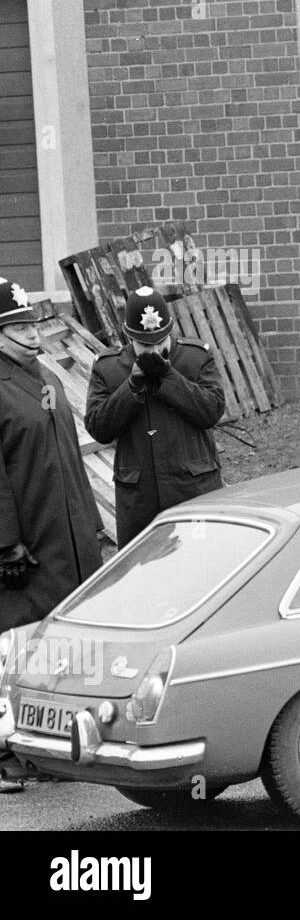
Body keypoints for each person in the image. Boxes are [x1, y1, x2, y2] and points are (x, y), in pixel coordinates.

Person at [0, 277, 100, 795]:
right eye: (18, 328)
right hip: (27, 542)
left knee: (56, 644)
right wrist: (5, 542)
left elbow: (67, 455)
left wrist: (91, 522)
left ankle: (45, 745)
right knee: (14, 645)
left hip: (67, 532)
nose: (33, 335)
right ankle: (5, 753)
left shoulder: (44, 375)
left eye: (33, 324)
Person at [84, 286, 225, 546]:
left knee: (203, 565)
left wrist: (169, 378)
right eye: (144, 344)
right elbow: (98, 428)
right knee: (144, 572)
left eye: (160, 341)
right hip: (140, 497)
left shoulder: (195, 357)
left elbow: (211, 412)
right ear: (129, 338)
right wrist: (131, 386)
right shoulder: (109, 368)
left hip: (192, 488)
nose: (154, 350)